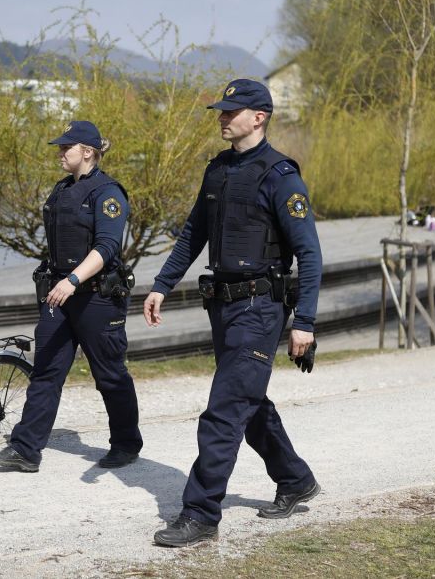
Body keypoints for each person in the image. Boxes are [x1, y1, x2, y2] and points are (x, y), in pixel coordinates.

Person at [143, 78, 324, 547]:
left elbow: (310, 253)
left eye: (231, 111)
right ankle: (295, 478)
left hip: (260, 309)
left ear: (258, 117)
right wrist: (162, 285)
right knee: (247, 400)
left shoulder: (280, 175)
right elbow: (191, 235)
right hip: (222, 307)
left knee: (223, 410)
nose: (222, 117)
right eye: (221, 111)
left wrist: (304, 320)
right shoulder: (218, 170)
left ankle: (201, 514)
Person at [0, 120, 143, 473]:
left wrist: (73, 279)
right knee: (46, 371)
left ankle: (126, 443)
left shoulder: (108, 193)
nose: (59, 153)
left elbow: (106, 247)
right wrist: (60, 280)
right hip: (59, 295)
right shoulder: (61, 191)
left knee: (110, 375)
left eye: (65, 148)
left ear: (87, 152)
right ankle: (25, 450)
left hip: (96, 298)